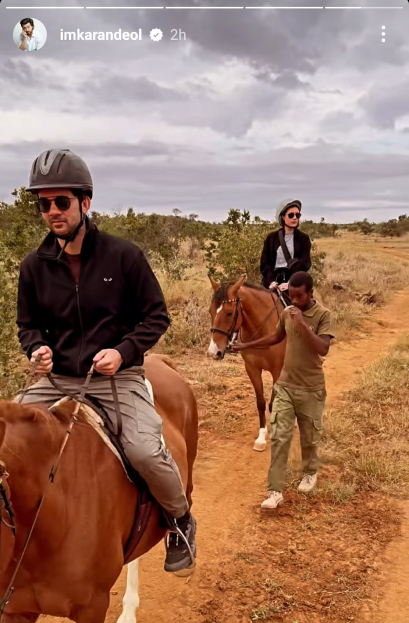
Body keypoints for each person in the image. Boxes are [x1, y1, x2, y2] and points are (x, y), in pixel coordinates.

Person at [16, 148, 196, 572]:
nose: (52, 211)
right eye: (44, 204)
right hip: (56, 380)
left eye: (61, 202)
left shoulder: (124, 256)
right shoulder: (33, 267)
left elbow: (157, 316)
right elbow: (28, 325)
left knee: (146, 451)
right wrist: (36, 349)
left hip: (114, 379)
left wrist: (123, 351)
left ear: (85, 202)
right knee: (9, 447)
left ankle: (181, 521)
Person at [233, 271, 334, 509]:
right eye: (291, 296)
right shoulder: (287, 314)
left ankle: (310, 473)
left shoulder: (323, 315)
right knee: (279, 437)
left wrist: (303, 324)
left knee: (309, 438)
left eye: (299, 296)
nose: (295, 301)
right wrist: (246, 345)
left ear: (311, 293)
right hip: (286, 386)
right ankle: (274, 491)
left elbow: (323, 347)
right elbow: (274, 338)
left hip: (311, 388)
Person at [260, 199, 311, 296]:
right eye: (291, 215)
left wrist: (290, 283)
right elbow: (265, 264)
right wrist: (271, 282)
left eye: (297, 215)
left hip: (295, 281)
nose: (295, 218)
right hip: (273, 282)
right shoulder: (271, 238)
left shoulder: (303, 239)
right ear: (283, 217)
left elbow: (305, 263)